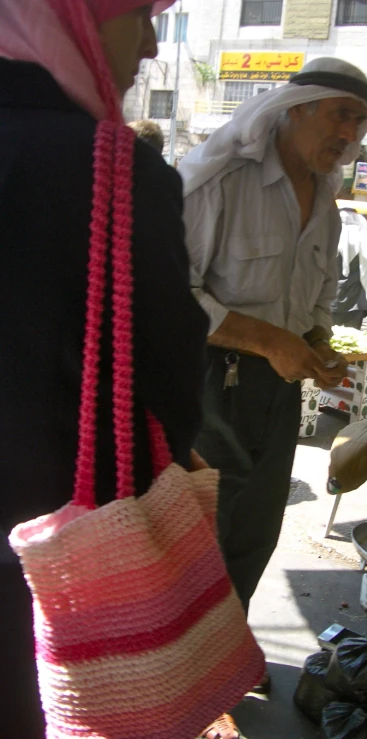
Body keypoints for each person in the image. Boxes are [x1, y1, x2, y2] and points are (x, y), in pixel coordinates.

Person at [0, 1, 209, 736]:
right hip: (58, 567)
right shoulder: (114, 171)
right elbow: (167, 380)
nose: (150, 44)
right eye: (137, 15)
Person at [179, 56, 367, 738]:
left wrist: (316, 346)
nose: (350, 132)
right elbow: (175, 291)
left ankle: (224, 658)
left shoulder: (325, 200)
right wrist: (267, 338)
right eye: (340, 114)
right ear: (297, 108)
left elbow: (314, 303)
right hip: (209, 382)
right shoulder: (224, 180)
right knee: (203, 533)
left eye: (360, 121)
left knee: (257, 530)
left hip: (277, 390)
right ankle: (191, 682)